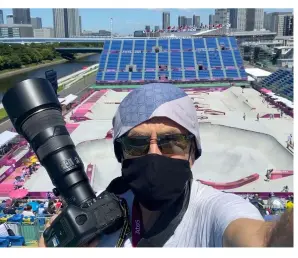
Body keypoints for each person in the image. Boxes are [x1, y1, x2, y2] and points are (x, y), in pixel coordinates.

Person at [39, 83, 293, 247]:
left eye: (172, 142)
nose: (153, 155)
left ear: (193, 152)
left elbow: (263, 240)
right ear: (121, 154)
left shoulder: (214, 212)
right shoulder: (99, 215)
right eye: (136, 144)